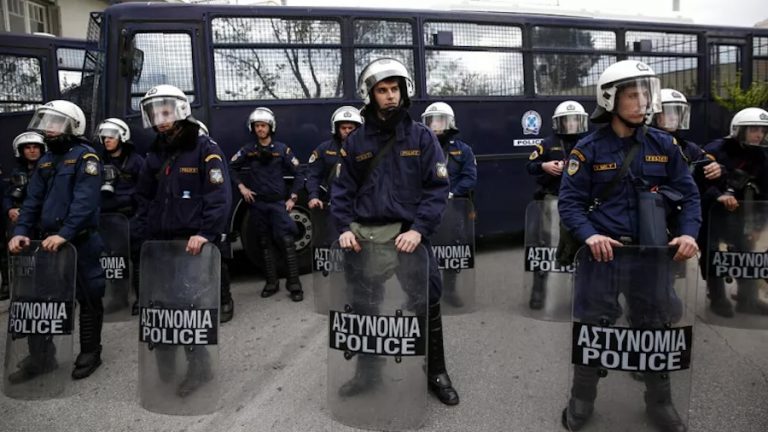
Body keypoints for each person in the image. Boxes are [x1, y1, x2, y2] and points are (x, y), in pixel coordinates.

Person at [558, 60, 700, 431]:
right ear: (610, 98)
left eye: (645, 93)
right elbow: (570, 204)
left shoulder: (664, 145)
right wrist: (590, 235)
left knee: (655, 328)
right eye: (632, 94)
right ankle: (581, 400)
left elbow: (690, 197)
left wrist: (688, 233)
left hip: (652, 256)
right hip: (604, 257)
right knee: (593, 327)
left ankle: (660, 403)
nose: (642, 101)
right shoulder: (587, 149)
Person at [331, 57, 460, 406]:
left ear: (404, 93)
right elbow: (342, 191)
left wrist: (418, 230)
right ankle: (367, 374)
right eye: (382, 90)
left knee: (426, 302)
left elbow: (437, 189)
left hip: (408, 237)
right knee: (364, 307)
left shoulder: (422, 138)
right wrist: (343, 228)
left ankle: (436, 372)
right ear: (370, 95)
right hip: (366, 238)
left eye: (395, 89)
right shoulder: (356, 142)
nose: (390, 96)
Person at [133, 84, 232, 396]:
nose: (159, 118)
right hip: (160, 244)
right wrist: (145, 230)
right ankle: (165, 365)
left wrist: (204, 233)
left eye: (165, 111)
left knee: (190, 308)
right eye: (154, 112)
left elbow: (218, 197)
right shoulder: (155, 152)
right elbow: (144, 196)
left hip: (192, 245)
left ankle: (199, 368)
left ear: (179, 110)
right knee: (161, 305)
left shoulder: (205, 148)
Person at [8, 100, 107, 381]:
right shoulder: (46, 160)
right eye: (46, 122)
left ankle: (90, 352)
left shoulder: (87, 158)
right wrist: (21, 232)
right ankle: (41, 357)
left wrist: (65, 234)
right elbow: (32, 201)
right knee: (41, 300)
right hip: (46, 243)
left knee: (88, 297)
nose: (48, 129)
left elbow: (84, 203)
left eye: (55, 123)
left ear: (72, 125)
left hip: (80, 243)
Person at [229, 107, 304, 302]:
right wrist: (242, 188)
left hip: (278, 205)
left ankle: (294, 283)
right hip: (258, 205)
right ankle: (271, 282)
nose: (260, 129)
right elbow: (231, 168)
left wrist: (293, 198)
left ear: (270, 127)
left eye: (263, 126)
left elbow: (299, 174)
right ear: (252, 129)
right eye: (256, 126)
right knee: (264, 243)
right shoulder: (248, 151)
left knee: (287, 242)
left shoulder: (281, 149)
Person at [701, 107, 768, 317]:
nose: (759, 134)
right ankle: (718, 297)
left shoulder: (763, 157)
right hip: (712, 212)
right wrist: (717, 194)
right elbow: (696, 180)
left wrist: (758, 226)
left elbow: (766, 192)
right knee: (713, 254)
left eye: (762, 130)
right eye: (754, 129)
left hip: (742, 215)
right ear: (739, 130)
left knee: (747, 253)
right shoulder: (717, 149)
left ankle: (748, 299)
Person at [525, 100, 588, 309]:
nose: (570, 125)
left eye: (574, 120)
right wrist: (544, 165)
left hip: (579, 203)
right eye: (566, 121)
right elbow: (529, 166)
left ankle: (581, 296)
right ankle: (538, 293)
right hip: (550, 202)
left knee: (579, 248)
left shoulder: (589, 142)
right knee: (542, 247)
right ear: (558, 123)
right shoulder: (547, 142)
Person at [421, 101, 477, 308]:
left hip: (454, 208)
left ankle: (450, 290)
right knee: (424, 249)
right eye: (432, 121)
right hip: (427, 209)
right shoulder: (420, 149)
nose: (436, 125)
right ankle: (421, 291)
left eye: (440, 120)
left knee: (453, 249)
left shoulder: (463, 150)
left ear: (449, 123)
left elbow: (470, 177)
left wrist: (453, 193)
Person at [95, 118, 145, 315]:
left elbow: (144, 191)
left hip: (130, 217)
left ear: (122, 137)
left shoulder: (136, 161)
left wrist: (139, 215)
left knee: (137, 259)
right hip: (108, 219)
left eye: (112, 137)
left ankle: (141, 299)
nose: (107, 141)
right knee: (114, 261)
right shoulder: (98, 161)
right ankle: (118, 299)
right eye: (104, 137)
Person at [1, 132, 46, 301]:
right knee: (21, 258)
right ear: (21, 151)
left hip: (42, 219)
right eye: (28, 148)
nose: (32, 151)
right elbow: (7, 196)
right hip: (21, 221)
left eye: (35, 147)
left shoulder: (48, 169)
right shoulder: (16, 172)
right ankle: (19, 291)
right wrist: (9, 210)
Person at [306, 106, 363, 211]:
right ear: (337, 129)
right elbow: (314, 175)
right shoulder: (324, 149)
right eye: (343, 128)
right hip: (334, 204)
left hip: (360, 204)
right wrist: (313, 196)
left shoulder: (367, 149)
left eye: (350, 128)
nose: (347, 131)